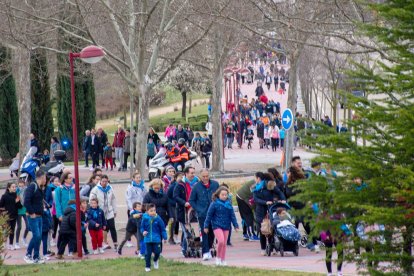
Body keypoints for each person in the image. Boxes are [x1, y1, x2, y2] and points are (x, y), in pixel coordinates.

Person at [189, 169, 219, 260]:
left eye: (207, 176)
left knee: (212, 232)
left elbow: (219, 195)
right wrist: (198, 209)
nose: (205, 178)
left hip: (214, 213)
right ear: (200, 176)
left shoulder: (215, 184)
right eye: (203, 176)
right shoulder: (196, 187)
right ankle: (205, 252)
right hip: (203, 214)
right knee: (204, 232)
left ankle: (209, 248)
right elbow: (191, 200)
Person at [204, 186, 239, 266]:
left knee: (224, 243)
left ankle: (223, 259)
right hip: (217, 226)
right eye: (222, 195)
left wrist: (235, 225)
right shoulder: (214, 204)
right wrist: (206, 226)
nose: (224, 196)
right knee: (221, 241)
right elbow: (209, 215)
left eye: (225, 195)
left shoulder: (228, 204)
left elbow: (232, 215)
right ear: (218, 195)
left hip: (226, 226)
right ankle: (218, 257)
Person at [253, 172, 286, 255]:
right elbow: (256, 199)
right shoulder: (255, 188)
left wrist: (283, 199)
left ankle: (274, 247)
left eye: (255, 178)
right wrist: (265, 202)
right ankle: (263, 248)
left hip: (270, 209)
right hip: (260, 211)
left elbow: (279, 192)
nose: (255, 180)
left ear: (258, 178)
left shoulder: (269, 185)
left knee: (272, 228)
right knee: (262, 230)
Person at [89, 175, 118, 251]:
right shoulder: (95, 189)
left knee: (112, 227)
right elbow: (91, 200)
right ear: (100, 181)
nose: (104, 183)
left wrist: (114, 210)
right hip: (100, 212)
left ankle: (115, 244)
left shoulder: (110, 188)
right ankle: (100, 245)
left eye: (106, 181)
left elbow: (113, 200)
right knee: (100, 229)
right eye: (103, 181)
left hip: (109, 211)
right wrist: (94, 210)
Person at [24, 170, 47, 264]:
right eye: (45, 178)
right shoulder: (32, 186)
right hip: (33, 216)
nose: (46, 180)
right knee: (36, 236)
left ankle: (35, 256)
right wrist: (31, 212)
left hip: (40, 216)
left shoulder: (40, 187)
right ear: (41, 177)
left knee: (38, 236)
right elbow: (26, 201)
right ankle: (30, 255)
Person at [141, 203, 167, 272]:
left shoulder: (158, 219)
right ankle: (147, 266)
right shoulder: (145, 218)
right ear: (147, 211)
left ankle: (155, 260)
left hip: (157, 239)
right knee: (148, 254)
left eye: (154, 210)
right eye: (151, 211)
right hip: (147, 239)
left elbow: (162, 228)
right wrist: (143, 232)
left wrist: (165, 237)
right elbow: (142, 227)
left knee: (158, 252)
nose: (153, 212)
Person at [0, 182, 23, 250]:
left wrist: (17, 202)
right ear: (8, 188)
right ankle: (3, 244)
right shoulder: (4, 196)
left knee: (12, 230)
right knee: (7, 231)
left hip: (14, 216)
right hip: (7, 216)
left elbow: (20, 207)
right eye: (13, 187)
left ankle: (11, 244)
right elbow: (1, 206)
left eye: (15, 187)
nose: (14, 188)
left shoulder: (16, 195)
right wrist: (4, 212)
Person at [167, 171, 180, 245]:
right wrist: (174, 203)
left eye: (182, 177)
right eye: (179, 177)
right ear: (175, 178)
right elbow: (168, 196)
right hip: (173, 206)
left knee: (177, 221)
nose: (181, 179)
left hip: (179, 205)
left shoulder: (181, 185)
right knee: (173, 220)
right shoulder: (173, 186)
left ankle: (174, 237)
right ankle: (170, 238)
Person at [16, 179, 29, 249]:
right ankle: (17, 242)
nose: (21, 184)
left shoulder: (26, 190)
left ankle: (24, 238)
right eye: (20, 183)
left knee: (28, 226)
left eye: (22, 183)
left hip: (25, 210)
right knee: (19, 226)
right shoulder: (16, 190)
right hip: (18, 210)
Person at [49, 177, 61, 247]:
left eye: (58, 181)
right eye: (55, 181)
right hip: (54, 210)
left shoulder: (61, 189)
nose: (57, 182)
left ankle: (60, 239)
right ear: (52, 182)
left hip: (60, 209)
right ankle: (53, 238)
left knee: (61, 225)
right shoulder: (51, 190)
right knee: (54, 225)